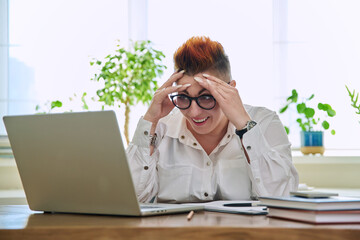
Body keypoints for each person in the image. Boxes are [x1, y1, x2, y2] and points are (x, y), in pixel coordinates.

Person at [126, 36, 298, 203]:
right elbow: (133, 200)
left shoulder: (265, 123)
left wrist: (245, 127)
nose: (194, 112)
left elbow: (282, 197)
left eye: (207, 97)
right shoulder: (160, 128)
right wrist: (150, 120)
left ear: (231, 90)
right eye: (183, 97)